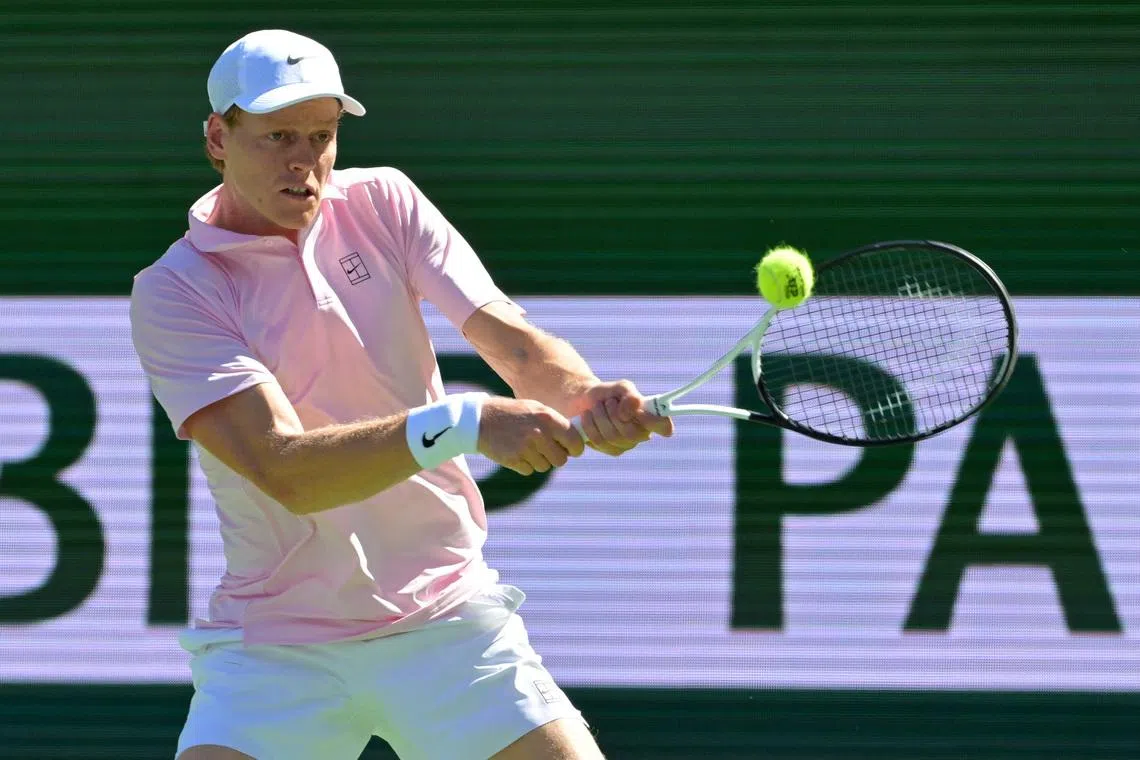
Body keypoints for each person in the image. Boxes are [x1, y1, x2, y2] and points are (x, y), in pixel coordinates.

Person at [129, 29, 671, 760]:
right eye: (277, 135)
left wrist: (585, 395)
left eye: (322, 136)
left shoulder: (384, 200)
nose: (304, 161)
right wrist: (465, 422)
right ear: (217, 138)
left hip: (446, 619)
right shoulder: (177, 290)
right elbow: (285, 470)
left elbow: (510, 341)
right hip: (278, 648)